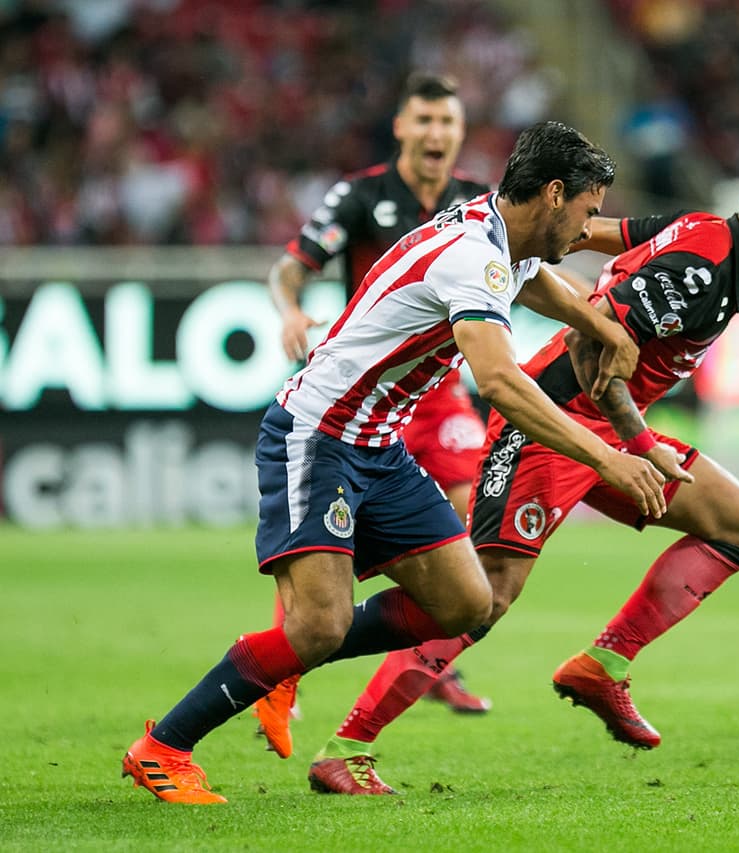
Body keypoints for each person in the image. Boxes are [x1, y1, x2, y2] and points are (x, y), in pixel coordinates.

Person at [121, 121, 669, 805]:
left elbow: (536, 281)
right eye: (589, 211)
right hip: (317, 434)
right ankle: (164, 746)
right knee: (319, 625)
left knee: (464, 601)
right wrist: (610, 460)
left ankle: (284, 654)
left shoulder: (502, 233)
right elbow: (499, 382)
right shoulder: (475, 255)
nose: (590, 226)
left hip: (379, 445)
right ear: (555, 195)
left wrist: (602, 323)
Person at [300, 159, 739, 794]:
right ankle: (342, 735)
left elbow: (594, 231)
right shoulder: (696, 272)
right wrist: (639, 445)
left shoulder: (701, 236)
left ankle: (603, 664)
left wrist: (539, 240)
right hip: (552, 423)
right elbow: (595, 350)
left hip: (614, 430)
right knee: (489, 594)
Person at [260, 73, 494, 736]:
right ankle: (284, 665)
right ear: (400, 127)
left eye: (447, 122)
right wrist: (291, 308)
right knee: (331, 549)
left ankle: (431, 660)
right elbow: (290, 266)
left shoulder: (477, 203)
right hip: (365, 393)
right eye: (423, 120)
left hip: (439, 389)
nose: (435, 134)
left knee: (457, 516)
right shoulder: (361, 195)